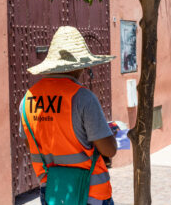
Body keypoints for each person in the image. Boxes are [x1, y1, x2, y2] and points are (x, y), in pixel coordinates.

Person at [19, 26, 117, 205]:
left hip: (53, 191)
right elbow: (109, 150)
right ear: (80, 66)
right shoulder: (83, 98)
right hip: (91, 194)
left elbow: (31, 142)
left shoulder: (28, 99)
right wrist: (110, 136)